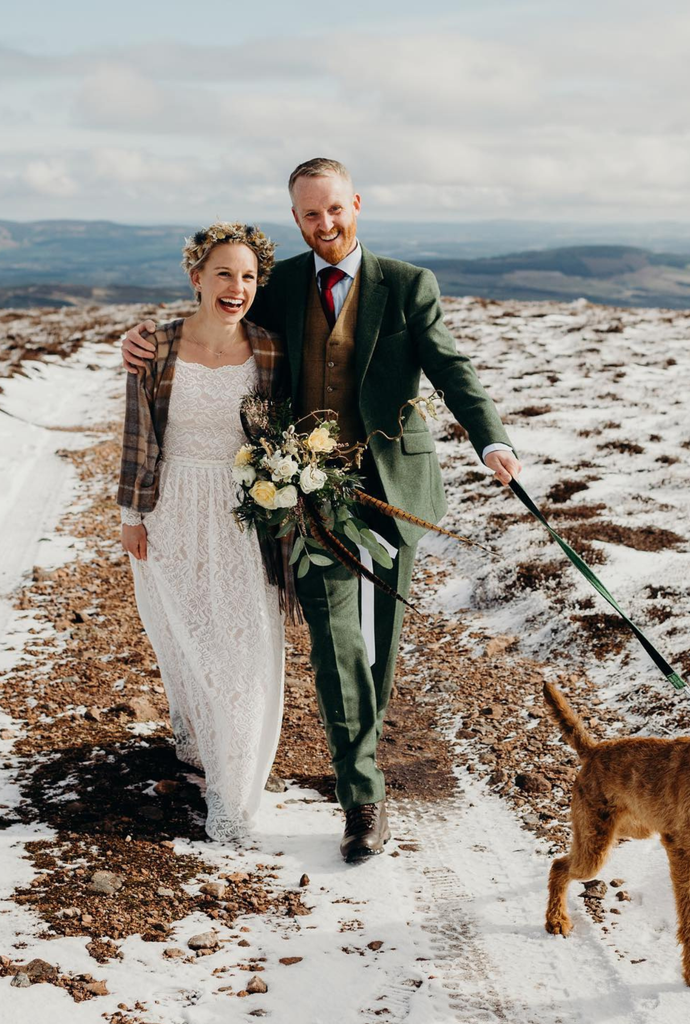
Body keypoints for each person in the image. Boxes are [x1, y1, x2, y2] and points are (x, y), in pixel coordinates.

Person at [122, 160, 522, 861]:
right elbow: (217, 324)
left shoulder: (408, 285)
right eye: (310, 214)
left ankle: (359, 750)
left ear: (356, 204)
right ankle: (362, 798)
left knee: (379, 647)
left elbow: (450, 367)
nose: (325, 224)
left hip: (393, 490)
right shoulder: (277, 286)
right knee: (338, 644)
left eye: (335, 209)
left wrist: (490, 439)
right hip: (305, 494)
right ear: (296, 219)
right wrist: (141, 338)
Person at [117, 222, 288, 842]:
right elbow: (138, 434)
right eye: (223, 273)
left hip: (244, 511)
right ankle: (199, 739)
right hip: (172, 510)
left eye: (248, 276)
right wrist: (132, 517)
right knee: (186, 635)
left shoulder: (270, 348)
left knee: (241, 646)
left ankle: (231, 786)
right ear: (196, 278)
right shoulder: (155, 347)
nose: (236, 287)